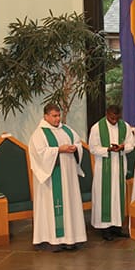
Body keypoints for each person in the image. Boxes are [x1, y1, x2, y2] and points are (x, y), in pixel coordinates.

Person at [29, 104, 87, 251]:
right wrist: (59, 150)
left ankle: (70, 238)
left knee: (69, 204)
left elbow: (78, 143)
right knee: (53, 207)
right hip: (50, 179)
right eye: (54, 116)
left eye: (58, 115)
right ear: (46, 116)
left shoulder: (66, 130)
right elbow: (39, 154)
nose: (57, 119)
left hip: (68, 177)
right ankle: (51, 240)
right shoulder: (39, 134)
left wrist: (75, 148)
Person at [88, 105, 133, 241]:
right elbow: (93, 148)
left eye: (117, 118)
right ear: (106, 114)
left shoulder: (124, 126)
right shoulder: (97, 127)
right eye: (112, 117)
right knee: (105, 196)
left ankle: (117, 227)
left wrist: (122, 147)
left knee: (118, 197)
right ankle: (105, 228)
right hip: (104, 168)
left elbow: (131, 144)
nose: (114, 120)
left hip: (119, 166)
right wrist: (107, 149)